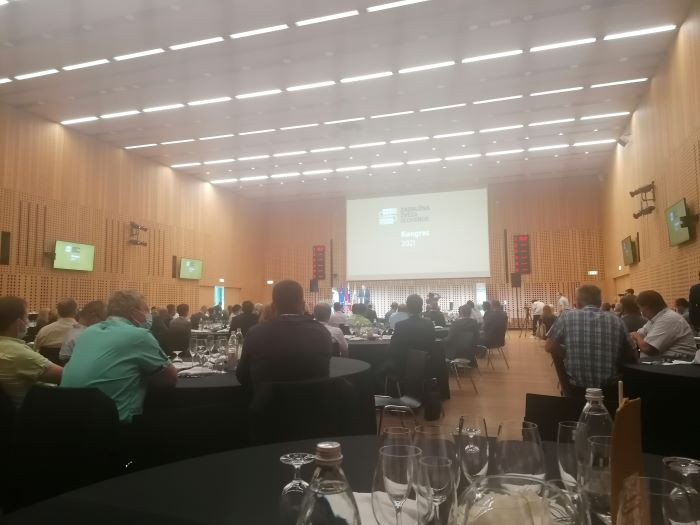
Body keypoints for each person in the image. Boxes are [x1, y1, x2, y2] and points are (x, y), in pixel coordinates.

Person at [61, 290, 177, 423]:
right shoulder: (139, 336)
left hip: (68, 421)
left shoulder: (89, 332)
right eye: (145, 310)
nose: (148, 315)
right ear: (133, 312)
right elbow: (170, 378)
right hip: (111, 425)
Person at [236, 280, 331, 389]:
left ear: (273, 306)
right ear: (303, 305)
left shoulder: (255, 333)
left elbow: (243, 376)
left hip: (268, 399)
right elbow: (324, 372)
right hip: (314, 399)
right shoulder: (322, 332)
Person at [546, 285, 637, 392]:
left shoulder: (566, 316)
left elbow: (549, 346)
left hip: (575, 389)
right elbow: (632, 355)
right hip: (610, 390)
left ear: (578, 302)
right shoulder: (617, 320)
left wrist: (568, 352)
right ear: (600, 302)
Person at [0, 296, 63, 407]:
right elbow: (65, 376)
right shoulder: (18, 353)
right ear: (19, 323)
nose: (28, 321)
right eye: (26, 317)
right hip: (31, 412)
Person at [630, 291, 697, 358]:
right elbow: (639, 334)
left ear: (646, 307)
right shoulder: (655, 318)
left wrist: (636, 336)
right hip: (662, 361)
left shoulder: (668, 318)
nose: (641, 312)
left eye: (640, 308)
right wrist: (638, 337)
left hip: (678, 362)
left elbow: (648, 348)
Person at [389, 294, 436, 373]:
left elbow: (393, 347)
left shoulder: (400, 325)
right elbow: (432, 344)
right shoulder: (429, 324)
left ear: (407, 308)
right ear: (421, 308)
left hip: (403, 367)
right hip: (425, 366)